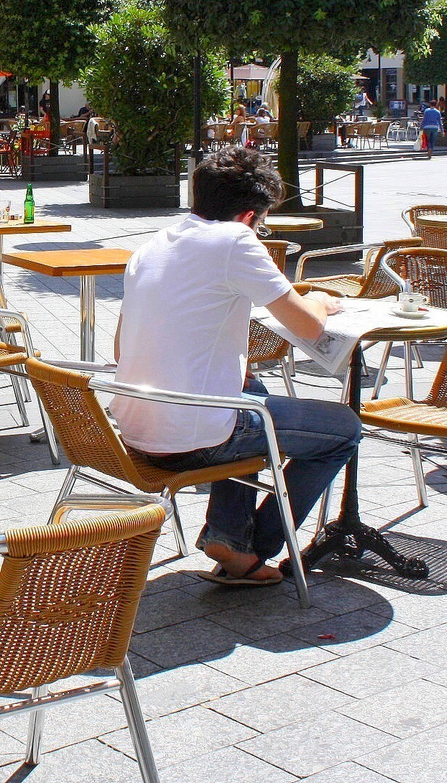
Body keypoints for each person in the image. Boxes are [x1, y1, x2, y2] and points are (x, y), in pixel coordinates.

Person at [113, 148, 361, 587]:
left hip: (135, 428)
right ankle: (252, 547)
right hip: (192, 437)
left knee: (252, 390)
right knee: (342, 428)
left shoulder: (152, 245)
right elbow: (306, 325)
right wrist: (320, 300)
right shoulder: (236, 240)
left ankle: (228, 537)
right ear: (250, 215)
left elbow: (119, 347)